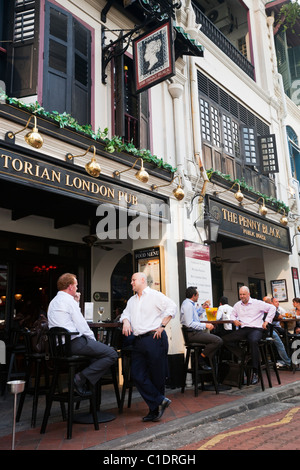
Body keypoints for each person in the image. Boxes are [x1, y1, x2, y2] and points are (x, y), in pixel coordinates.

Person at [47, 273, 118, 397]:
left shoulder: (53, 302)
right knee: (111, 354)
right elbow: (82, 325)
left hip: (59, 348)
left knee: (95, 357)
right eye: (76, 286)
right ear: (70, 287)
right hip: (73, 344)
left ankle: (86, 387)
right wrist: (93, 340)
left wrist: (76, 302)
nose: (77, 288)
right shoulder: (69, 301)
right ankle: (80, 378)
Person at [120, 272, 177, 422]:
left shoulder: (154, 295)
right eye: (131, 280)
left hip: (154, 338)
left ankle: (154, 411)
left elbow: (172, 307)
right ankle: (160, 400)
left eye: (133, 280)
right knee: (137, 374)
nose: (131, 282)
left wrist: (163, 325)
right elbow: (125, 314)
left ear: (142, 280)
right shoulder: (132, 300)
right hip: (138, 341)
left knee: (157, 376)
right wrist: (126, 321)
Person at [223, 286, 276, 385]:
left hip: (256, 328)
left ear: (248, 294)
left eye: (244, 294)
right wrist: (234, 320)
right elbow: (232, 314)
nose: (242, 296)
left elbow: (272, 308)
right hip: (244, 329)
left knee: (253, 341)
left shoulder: (257, 303)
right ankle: (245, 355)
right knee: (225, 339)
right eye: (240, 294)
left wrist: (267, 321)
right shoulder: (237, 305)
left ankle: (255, 372)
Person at [180, 287, 223, 368]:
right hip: (192, 334)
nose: (198, 297)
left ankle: (204, 358)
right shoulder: (188, 305)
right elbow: (189, 323)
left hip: (194, 333)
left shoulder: (189, 304)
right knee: (218, 340)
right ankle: (200, 359)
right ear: (194, 295)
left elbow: (194, 315)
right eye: (198, 295)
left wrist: (203, 308)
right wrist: (205, 325)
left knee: (216, 341)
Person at [263, 296, 292, 369]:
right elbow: (280, 317)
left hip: (259, 331)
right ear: (270, 302)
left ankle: (267, 361)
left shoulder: (260, 307)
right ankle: (288, 362)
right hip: (268, 330)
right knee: (280, 344)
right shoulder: (270, 307)